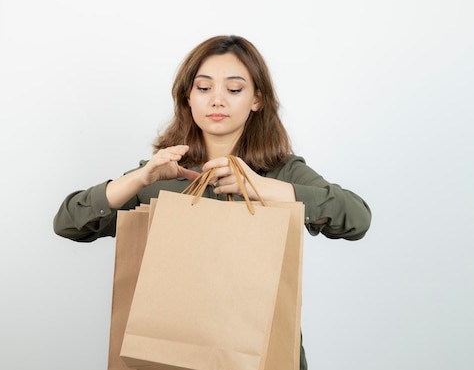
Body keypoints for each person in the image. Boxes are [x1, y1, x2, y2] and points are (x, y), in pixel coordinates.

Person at [53, 35, 372, 369]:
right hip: (165, 354)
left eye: (233, 90)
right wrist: (139, 178)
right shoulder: (163, 173)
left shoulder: (281, 172)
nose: (217, 100)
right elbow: (68, 223)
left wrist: (263, 188)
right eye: (204, 88)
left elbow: (356, 219)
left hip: (258, 355)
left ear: (256, 99)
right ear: (188, 97)